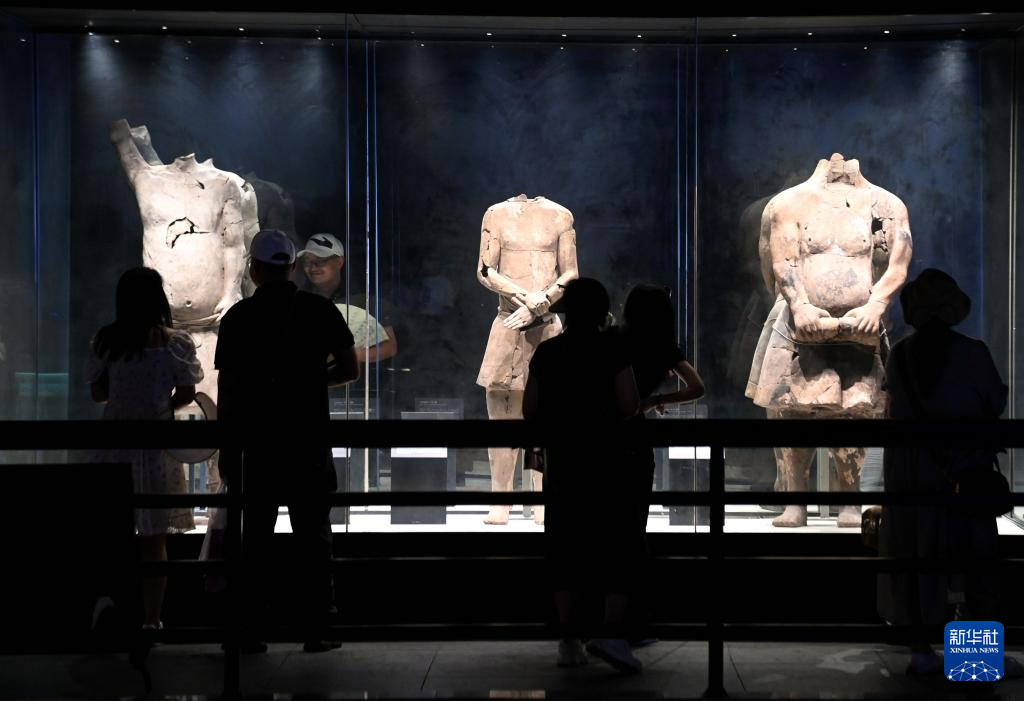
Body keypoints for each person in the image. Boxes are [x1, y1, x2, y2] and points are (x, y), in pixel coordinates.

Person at [746, 153, 913, 527]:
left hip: (861, 326)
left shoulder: (886, 203)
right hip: (800, 322)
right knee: (791, 411)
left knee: (857, 410)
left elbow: (898, 263)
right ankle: (795, 501)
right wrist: (800, 304)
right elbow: (780, 261)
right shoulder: (790, 202)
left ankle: (850, 501)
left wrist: (877, 304)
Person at [215, 229, 359, 653]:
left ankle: (248, 629)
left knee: (254, 539)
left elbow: (229, 390)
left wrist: (227, 448)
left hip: (255, 444)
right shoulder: (318, 310)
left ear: (254, 269)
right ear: (292, 267)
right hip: (307, 439)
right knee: (313, 537)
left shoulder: (238, 318)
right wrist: (310, 383)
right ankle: (318, 626)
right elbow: (349, 369)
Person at [877, 269, 1008, 675]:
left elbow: (895, 410)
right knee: (974, 565)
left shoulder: (900, 355)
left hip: (914, 477)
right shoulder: (974, 353)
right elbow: (995, 402)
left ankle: (921, 649)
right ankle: (976, 662)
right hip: (965, 473)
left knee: (917, 560)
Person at [523, 277, 641, 673]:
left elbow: (530, 408)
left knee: (565, 547)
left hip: (565, 461)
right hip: (609, 461)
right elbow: (628, 404)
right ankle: (610, 633)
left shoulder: (548, 352)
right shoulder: (613, 350)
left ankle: (568, 639)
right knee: (615, 546)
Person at [86, 267, 203, 631]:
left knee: (111, 535)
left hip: (114, 445)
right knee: (154, 541)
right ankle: (152, 620)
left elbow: (98, 392)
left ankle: (111, 608)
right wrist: (162, 404)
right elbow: (187, 391)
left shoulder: (106, 341)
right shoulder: (175, 343)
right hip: (156, 448)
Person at [477, 194, 580, 525]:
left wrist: (540, 304)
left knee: (548, 421)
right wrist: (525, 299)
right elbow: (485, 270)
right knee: (501, 419)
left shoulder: (560, 215)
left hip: (546, 326)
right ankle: (501, 499)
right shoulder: (496, 213)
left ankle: (542, 498)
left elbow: (570, 273)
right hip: (508, 321)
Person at [615, 284, 705, 644]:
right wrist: (655, 400)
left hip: (606, 436)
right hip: (636, 438)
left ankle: (605, 623)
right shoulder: (664, 347)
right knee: (635, 527)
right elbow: (697, 387)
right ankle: (635, 622)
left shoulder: (615, 341)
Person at [297, 233, 397, 364]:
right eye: (307, 262)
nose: (312, 267)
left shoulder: (363, 300)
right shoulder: (299, 301)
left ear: (339, 262)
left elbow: (389, 347)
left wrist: (349, 354)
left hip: (352, 375)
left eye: (321, 260)